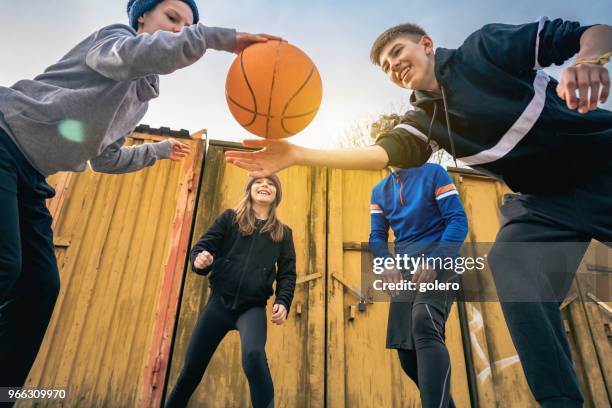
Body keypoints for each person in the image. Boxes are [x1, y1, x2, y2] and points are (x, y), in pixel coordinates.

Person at [225, 19, 612, 407]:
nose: (394, 66)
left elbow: (597, 30)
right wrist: (298, 154)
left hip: (600, 163)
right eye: (386, 67)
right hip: (544, 201)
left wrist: (589, 59)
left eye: (397, 53)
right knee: (511, 264)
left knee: (427, 329)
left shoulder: (484, 49)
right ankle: (560, 400)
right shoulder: (425, 119)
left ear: (426, 44)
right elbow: (380, 155)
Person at [0, 0, 279, 391]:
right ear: (141, 17)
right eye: (172, 18)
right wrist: (220, 39)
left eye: (188, 25)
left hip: (30, 176)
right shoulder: (113, 42)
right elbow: (141, 54)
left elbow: (104, 158)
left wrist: (157, 150)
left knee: (40, 286)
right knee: (5, 263)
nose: (180, 30)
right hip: (4, 137)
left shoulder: (139, 96)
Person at [165, 175, 296, 408]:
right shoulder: (229, 219)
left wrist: (283, 301)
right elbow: (201, 247)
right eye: (258, 182)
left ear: (277, 194)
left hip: (252, 308)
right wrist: (200, 260)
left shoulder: (283, 234)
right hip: (219, 305)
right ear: (249, 190)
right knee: (190, 370)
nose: (265, 185)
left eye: (271, 183)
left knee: (254, 357)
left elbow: (287, 274)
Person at [369, 116, 468, 408]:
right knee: (406, 352)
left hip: (442, 261)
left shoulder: (434, 173)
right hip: (405, 270)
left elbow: (457, 220)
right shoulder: (379, 191)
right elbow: (376, 236)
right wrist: (386, 264)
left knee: (425, 322)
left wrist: (437, 259)